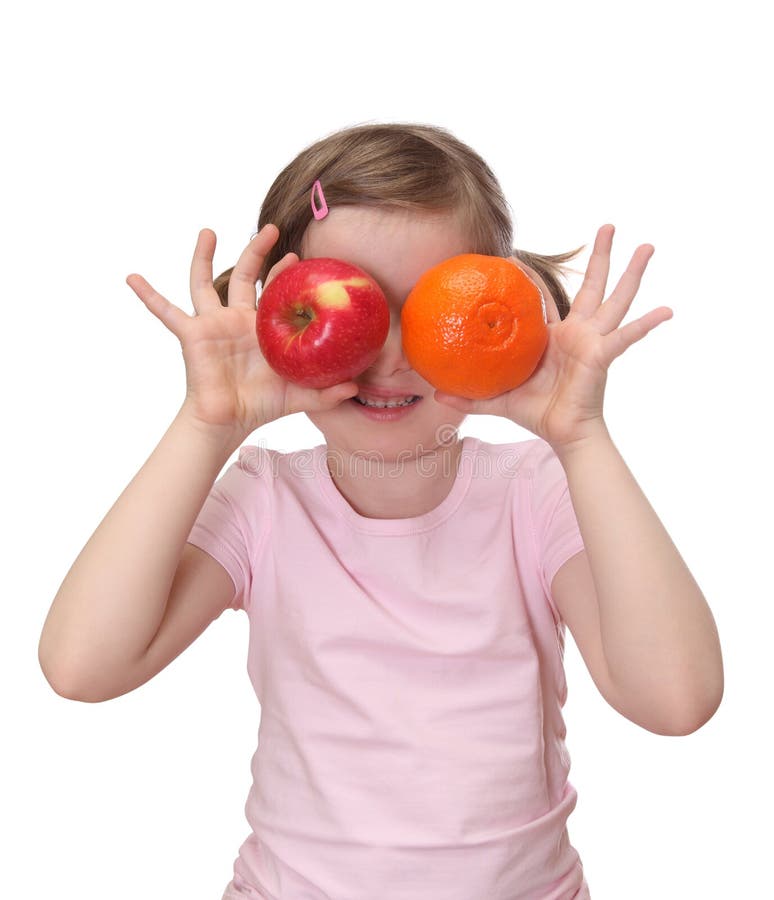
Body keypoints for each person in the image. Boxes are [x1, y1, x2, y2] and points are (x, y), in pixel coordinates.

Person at [38, 122, 724, 899]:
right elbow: (81, 666)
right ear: (278, 316)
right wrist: (207, 424)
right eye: (353, 301)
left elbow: (676, 699)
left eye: (433, 307)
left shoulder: (535, 494)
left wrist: (584, 438)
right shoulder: (265, 499)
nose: (390, 354)